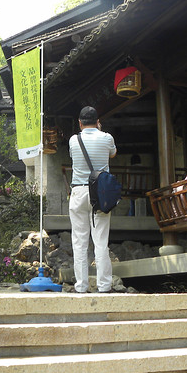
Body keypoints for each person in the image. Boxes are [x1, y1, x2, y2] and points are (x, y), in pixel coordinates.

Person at [68, 106, 117, 293]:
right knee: (101, 240)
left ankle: (81, 286)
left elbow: (74, 157)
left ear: (79, 123)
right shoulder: (107, 137)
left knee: (79, 241)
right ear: (98, 121)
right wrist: (101, 130)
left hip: (79, 191)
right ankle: (104, 286)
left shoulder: (74, 140)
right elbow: (112, 154)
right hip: (100, 193)